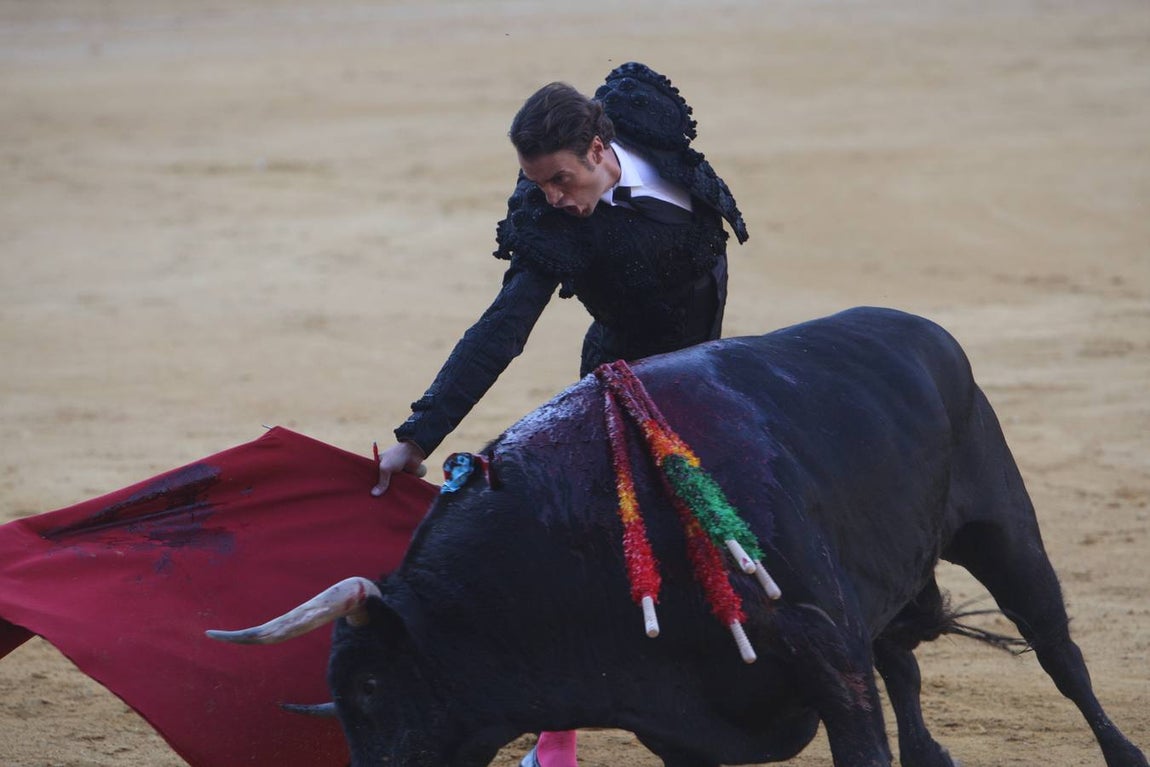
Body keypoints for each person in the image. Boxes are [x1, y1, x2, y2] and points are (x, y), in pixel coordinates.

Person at [371, 62, 749, 767]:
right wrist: (419, 435)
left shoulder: (645, 118)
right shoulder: (552, 225)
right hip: (623, 389)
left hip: (706, 376)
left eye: (561, 180)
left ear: (602, 150)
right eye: (539, 183)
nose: (550, 197)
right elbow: (501, 330)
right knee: (597, 558)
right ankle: (555, 745)